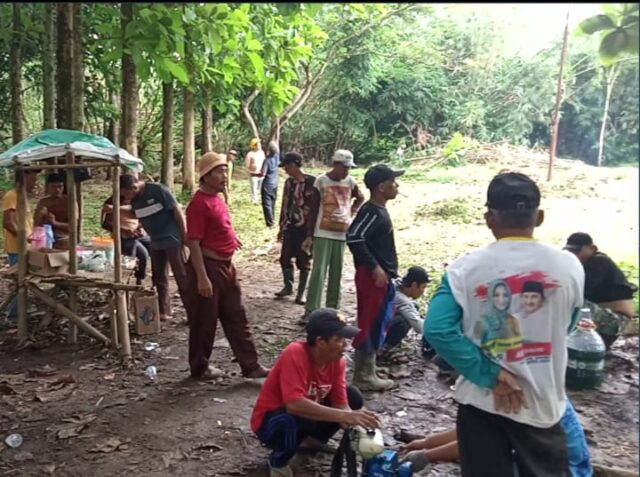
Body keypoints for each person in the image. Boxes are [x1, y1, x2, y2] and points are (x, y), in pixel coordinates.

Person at [424, 172, 585, 477]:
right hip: (541, 401)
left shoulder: (464, 269)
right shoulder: (570, 266)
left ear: (489, 218)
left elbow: (437, 329)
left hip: (482, 404)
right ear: (539, 216)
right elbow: (568, 323)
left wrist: (491, 373)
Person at [251, 308, 380, 477]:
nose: (346, 345)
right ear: (320, 341)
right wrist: (345, 416)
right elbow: (294, 404)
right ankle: (278, 461)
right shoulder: (295, 353)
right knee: (293, 418)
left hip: (306, 414)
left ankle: (311, 442)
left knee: (352, 395)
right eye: (339, 339)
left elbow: (341, 403)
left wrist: (358, 427)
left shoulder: (337, 361)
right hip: (272, 421)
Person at [185, 152, 269, 381]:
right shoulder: (198, 204)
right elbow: (192, 242)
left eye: (225, 170)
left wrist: (232, 239)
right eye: (219, 171)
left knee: (236, 315)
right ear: (206, 176)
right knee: (205, 320)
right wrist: (202, 278)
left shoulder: (219, 199)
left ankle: (250, 366)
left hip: (226, 266)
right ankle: (200, 367)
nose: (225, 175)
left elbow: (220, 226)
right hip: (208, 267)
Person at [401, 400, 593, 477]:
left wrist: (425, 456)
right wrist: (426, 442)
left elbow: (476, 443)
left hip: (562, 469)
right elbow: (470, 430)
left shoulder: (516, 393)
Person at [347, 164, 404, 391]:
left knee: (378, 320)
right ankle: (363, 376)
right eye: (393, 181)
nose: (396, 185)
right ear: (382, 187)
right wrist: (374, 267)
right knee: (370, 321)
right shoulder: (371, 211)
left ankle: (368, 368)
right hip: (372, 277)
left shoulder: (378, 210)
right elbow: (354, 237)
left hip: (380, 275)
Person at [303, 150, 364, 320]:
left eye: (348, 168)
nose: (346, 171)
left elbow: (360, 198)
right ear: (335, 164)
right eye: (344, 167)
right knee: (319, 271)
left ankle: (333, 309)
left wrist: (351, 212)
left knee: (336, 272)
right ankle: (311, 309)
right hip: (322, 232)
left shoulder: (350, 182)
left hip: (342, 233)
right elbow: (314, 208)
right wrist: (309, 235)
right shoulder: (321, 181)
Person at [120, 174, 189, 322]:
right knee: (159, 276)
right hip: (155, 240)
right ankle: (164, 311)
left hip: (172, 237)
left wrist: (184, 234)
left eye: (127, 194)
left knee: (181, 275)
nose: (126, 197)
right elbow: (135, 212)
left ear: (134, 187)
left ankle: (193, 311)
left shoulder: (158, 190)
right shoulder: (135, 199)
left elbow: (177, 210)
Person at [564, 232, 637, 349]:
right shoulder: (585, 264)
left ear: (592, 248)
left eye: (577, 251)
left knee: (571, 301)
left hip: (618, 320)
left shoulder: (599, 261)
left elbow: (579, 292)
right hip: (606, 317)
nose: (573, 255)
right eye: (570, 251)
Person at [274, 152, 316, 304]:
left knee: (304, 260)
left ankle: (301, 293)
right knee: (285, 257)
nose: (285, 169)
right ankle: (288, 286)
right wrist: (281, 226)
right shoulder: (289, 183)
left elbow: (316, 207)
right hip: (290, 226)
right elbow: (285, 204)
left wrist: (313, 232)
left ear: (294, 165)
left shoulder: (313, 182)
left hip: (306, 228)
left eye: (287, 166)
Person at [2, 168, 40, 323]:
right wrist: (25, 237)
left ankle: (19, 310)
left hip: (26, 246)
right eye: (32, 180)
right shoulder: (11, 196)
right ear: (22, 179)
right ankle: (13, 315)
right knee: (20, 281)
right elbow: (8, 223)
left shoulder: (23, 196)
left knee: (24, 280)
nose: (34, 184)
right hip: (17, 247)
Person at [101, 194, 151, 286]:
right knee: (143, 254)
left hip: (137, 234)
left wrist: (140, 228)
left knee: (155, 247)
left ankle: (155, 279)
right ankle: (139, 280)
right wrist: (123, 230)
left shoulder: (137, 201)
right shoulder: (112, 202)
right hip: (122, 237)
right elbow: (105, 224)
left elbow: (140, 218)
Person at [381, 266, 430, 351]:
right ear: (414, 285)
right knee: (404, 320)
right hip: (374, 331)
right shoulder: (401, 299)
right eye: (423, 287)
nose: (423, 291)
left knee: (414, 306)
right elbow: (419, 328)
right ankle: (384, 346)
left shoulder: (395, 284)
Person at [34, 172, 76, 250]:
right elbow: (37, 225)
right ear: (48, 187)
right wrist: (40, 215)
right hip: (45, 236)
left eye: (60, 186)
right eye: (53, 187)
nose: (57, 190)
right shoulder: (43, 202)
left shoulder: (69, 202)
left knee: (64, 243)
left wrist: (55, 223)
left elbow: (73, 225)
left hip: (63, 237)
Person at [255, 140, 280, 227]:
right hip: (275, 183)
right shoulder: (277, 157)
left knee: (267, 204)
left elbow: (263, 173)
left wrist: (253, 174)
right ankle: (272, 218)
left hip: (267, 185)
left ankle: (270, 222)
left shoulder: (267, 160)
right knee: (273, 202)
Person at [246, 138, 266, 204]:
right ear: (254, 146)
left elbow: (264, 162)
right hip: (253, 174)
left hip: (261, 173)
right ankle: (254, 200)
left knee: (260, 187)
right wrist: (251, 170)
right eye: (258, 144)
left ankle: (260, 199)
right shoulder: (250, 154)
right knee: (254, 187)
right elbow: (247, 165)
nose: (260, 145)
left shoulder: (262, 153)